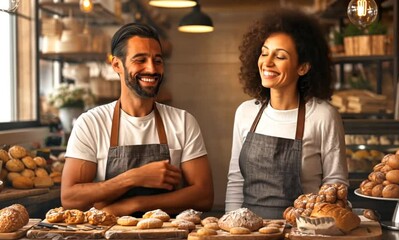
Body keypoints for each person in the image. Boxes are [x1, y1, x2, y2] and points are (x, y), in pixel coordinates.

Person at [61, 22, 214, 217]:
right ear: (117, 65)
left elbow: (204, 197)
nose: (152, 69)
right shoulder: (91, 123)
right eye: (140, 60)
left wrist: (136, 203)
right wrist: (134, 178)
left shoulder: (183, 121)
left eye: (157, 60)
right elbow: (70, 199)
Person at [225, 8, 348, 219]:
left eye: (280, 56)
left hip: (303, 231)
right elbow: (236, 180)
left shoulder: (323, 116)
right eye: (264, 53)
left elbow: (335, 184)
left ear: (303, 67)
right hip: (250, 233)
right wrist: (232, 228)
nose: (267, 62)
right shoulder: (246, 113)